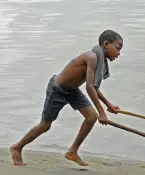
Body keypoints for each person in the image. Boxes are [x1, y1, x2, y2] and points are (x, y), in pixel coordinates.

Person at [10, 29, 123, 166]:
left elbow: (95, 87)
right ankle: (17, 147)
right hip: (57, 90)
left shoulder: (100, 61)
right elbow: (89, 87)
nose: (118, 53)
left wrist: (108, 105)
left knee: (91, 117)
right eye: (117, 48)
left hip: (72, 90)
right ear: (106, 44)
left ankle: (72, 152)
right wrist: (102, 112)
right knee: (45, 125)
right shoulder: (92, 57)